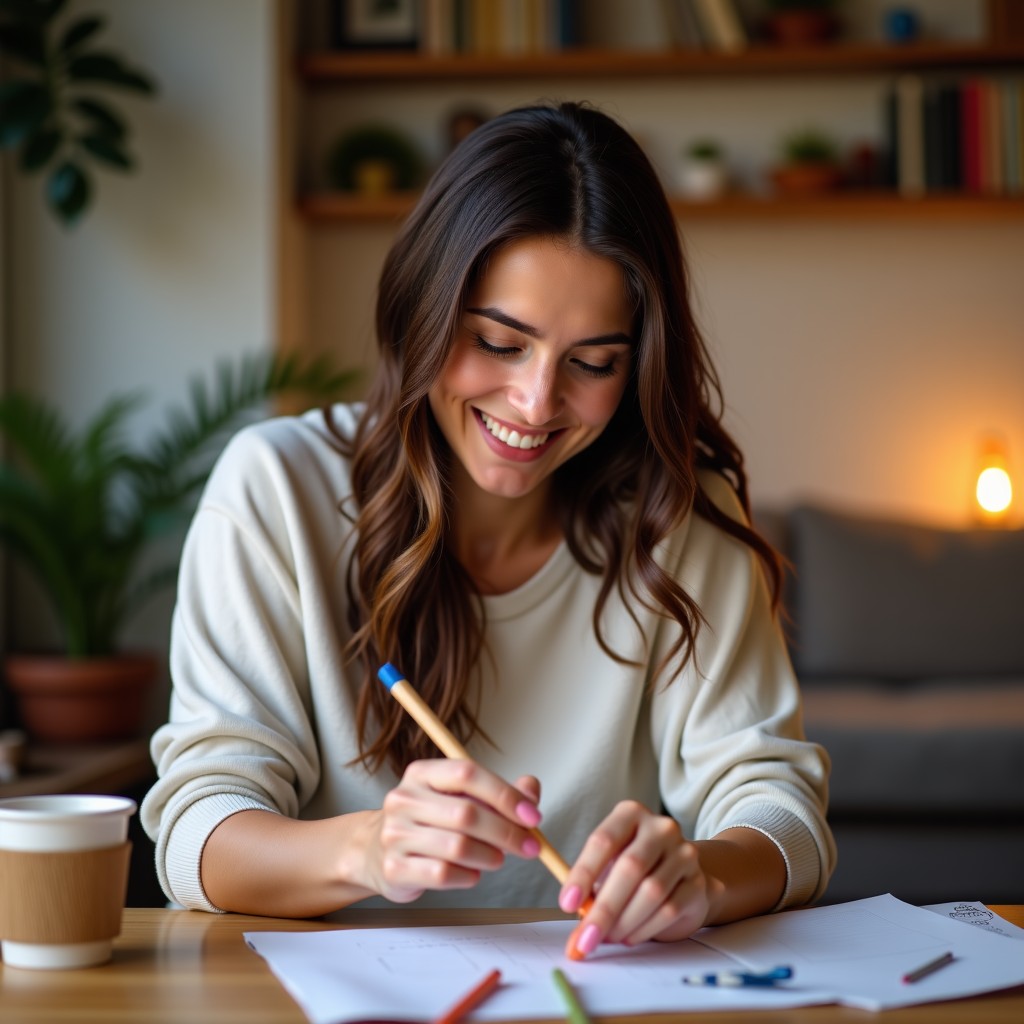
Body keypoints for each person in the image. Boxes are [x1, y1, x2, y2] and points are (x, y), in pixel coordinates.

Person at [142, 101, 835, 958]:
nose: (536, 404)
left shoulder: (683, 517)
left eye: (593, 363)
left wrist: (703, 873)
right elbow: (196, 835)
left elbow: (782, 812)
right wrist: (366, 850)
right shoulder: (276, 490)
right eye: (498, 343)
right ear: (425, 312)